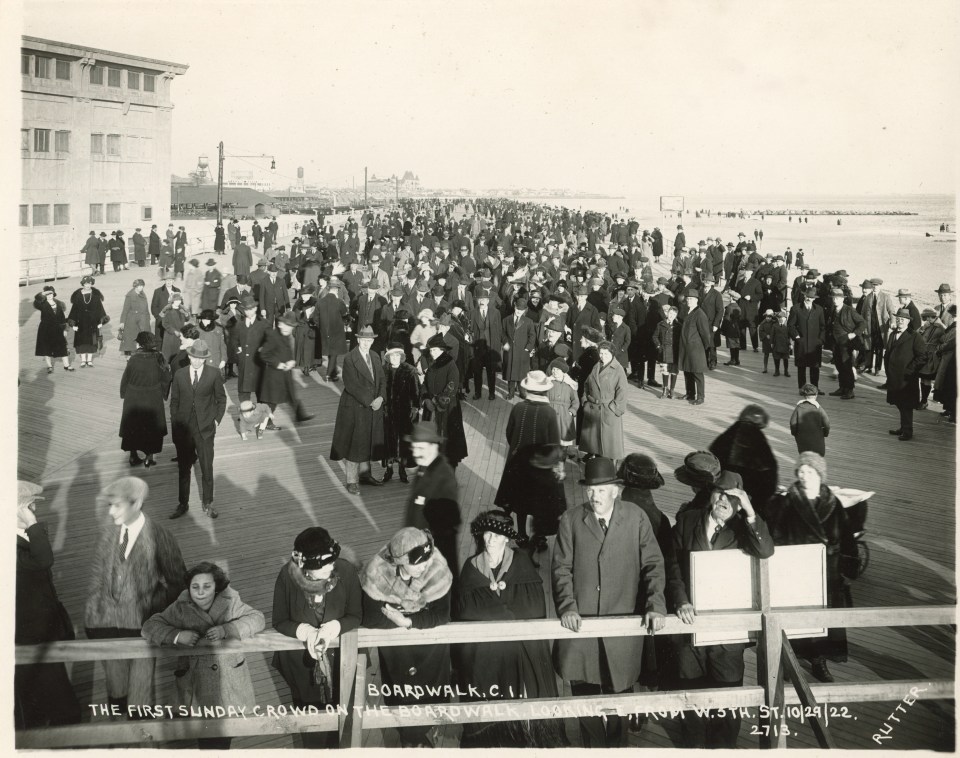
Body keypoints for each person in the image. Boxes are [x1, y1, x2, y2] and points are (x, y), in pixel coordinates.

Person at [552, 456, 667, 747]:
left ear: (616, 490)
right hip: (583, 625)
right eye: (590, 489)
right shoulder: (571, 520)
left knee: (619, 695)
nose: (595, 496)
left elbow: (653, 563)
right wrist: (567, 607)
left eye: (602, 490)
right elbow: (561, 569)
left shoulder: (636, 517)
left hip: (622, 624)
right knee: (585, 695)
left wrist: (655, 604)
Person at [672, 473, 775, 748]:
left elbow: (765, 550)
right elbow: (672, 566)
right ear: (710, 495)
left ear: (740, 502)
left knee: (727, 700)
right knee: (690, 698)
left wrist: (751, 512)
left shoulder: (744, 529)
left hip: (728, 636)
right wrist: (681, 600)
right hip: (689, 628)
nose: (723, 500)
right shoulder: (688, 521)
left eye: (731, 496)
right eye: (719, 493)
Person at [456, 511, 566, 748]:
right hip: (487, 655)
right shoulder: (471, 568)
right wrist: (500, 605)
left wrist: (495, 603)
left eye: (497, 535)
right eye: (487, 533)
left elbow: (534, 607)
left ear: (507, 538)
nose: (490, 540)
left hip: (520, 652)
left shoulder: (522, 566)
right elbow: (464, 613)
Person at [84, 477, 186, 716]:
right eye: (109, 505)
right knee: (116, 691)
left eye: (117, 505)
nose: (110, 512)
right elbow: (96, 580)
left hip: (142, 628)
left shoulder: (160, 537)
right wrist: (92, 616)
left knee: (140, 698)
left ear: (137, 503)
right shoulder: (107, 536)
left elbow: (177, 582)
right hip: (106, 628)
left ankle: (143, 744)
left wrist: (158, 614)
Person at [141, 562, 264, 750]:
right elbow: (150, 626)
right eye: (195, 587)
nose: (200, 592)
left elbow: (257, 618)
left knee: (224, 732)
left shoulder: (230, 602)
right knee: (204, 734)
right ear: (188, 588)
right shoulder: (181, 607)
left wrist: (227, 629)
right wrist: (176, 636)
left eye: (207, 586)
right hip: (196, 681)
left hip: (228, 681)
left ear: (217, 588)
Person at [766, 453, 859, 683]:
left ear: (820, 474)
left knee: (822, 621)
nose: (804, 475)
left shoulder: (832, 503)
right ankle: (790, 660)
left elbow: (847, 536)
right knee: (795, 619)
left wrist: (848, 568)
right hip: (797, 571)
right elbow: (776, 535)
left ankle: (819, 660)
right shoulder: (788, 501)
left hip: (827, 572)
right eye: (801, 471)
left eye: (809, 471)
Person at [360, 527, 453, 748]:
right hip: (397, 651)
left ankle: (423, 733)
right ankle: (411, 740)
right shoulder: (378, 573)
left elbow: (442, 615)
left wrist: (406, 621)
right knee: (401, 695)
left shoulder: (436, 569)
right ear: (400, 561)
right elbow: (371, 618)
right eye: (417, 563)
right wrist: (414, 615)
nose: (424, 566)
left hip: (430, 648)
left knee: (432, 692)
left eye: (426, 560)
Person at [271, 527, 361, 749]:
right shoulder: (287, 576)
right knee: (311, 728)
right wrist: (306, 631)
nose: (332, 566)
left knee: (343, 722)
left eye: (333, 561)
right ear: (306, 566)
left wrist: (335, 627)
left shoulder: (345, 571)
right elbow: (279, 620)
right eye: (325, 564)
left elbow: (357, 615)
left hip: (342, 662)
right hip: (302, 669)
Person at [16, 481, 82, 729]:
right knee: (61, 706)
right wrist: (32, 524)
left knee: (43, 695)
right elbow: (43, 560)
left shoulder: (21, 536)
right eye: (30, 506)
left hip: (40, 631)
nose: (34, 510)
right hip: (30, 637)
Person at [494, 370, 565, 558]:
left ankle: (521, 534)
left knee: (519, 500)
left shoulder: (518, 408)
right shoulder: (549, 412)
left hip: (518, 463)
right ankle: (539, 536)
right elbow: (554, 442)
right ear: (544, 391)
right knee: (540, 501)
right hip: (541, 466)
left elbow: (509, 434)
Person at [169, 340, 227, 519]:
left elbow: (221, 399)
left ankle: (208, 503)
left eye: (200, 359)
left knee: (206, 468)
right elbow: (174, 402)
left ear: (205, 359)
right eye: (193, 357)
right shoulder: (179, 375)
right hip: (184, 428)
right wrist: (176, 422)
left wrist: (216, 420)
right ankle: (182, 504)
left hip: (206, 428)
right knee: (184, 468)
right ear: (189, 356)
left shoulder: (214, 374)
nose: (196, 361)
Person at [330, 326, 386, 494]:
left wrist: (381, 398)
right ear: (358, 340)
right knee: (355, 443)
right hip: (355, 406)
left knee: (367, 440)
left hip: (373, 404)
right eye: (364, 340)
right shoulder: (349, 358)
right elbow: (351, 384)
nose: (367, 343)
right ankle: (351, 481)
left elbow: (382, 379)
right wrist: (371, 401)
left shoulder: (375, 356)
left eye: (370, 341)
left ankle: (365, 475)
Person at [405, 425, 462, 577]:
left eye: (421, 448)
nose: (416, 453)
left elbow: (446, 527)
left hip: (433, 559)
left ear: (434, 446)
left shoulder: (443, 477)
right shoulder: (425, 468)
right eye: (414, 448)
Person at [709, 404, 779, 508]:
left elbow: (713, 454)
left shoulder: (727, 434)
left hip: (720, 489)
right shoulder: (758, 439)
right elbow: (769, 471)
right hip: (747, 496)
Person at [120, 332, 172, 468]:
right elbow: (166, 377)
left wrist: (123, 393)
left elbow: (126, 377)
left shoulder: (133, 358)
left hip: (133, 397)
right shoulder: (159, 357)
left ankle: (133, 456)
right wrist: (164, 393)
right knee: (152, 427)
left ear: (141, 344)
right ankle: (149, 458)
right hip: (152, 397)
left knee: (133, 426)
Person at [421, 333, 468, 467]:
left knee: (448, 440)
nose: (432, 353)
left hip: (447, 408)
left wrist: (435, 402)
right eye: (430, 350)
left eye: (435, 350)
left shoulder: (450, 364)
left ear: (442, 350)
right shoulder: (432, 364)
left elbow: (451, 387)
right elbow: (425, 383)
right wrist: (426, 398)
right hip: (430, 408)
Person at [258, 312, 314, 423]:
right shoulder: (273, 336)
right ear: (280, 324)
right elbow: (263, 354)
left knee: (291, 394)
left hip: (285, 372)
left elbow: (287, 351)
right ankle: (266, 421)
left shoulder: (287, 335)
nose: (288, 329)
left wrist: (292, 361)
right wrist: (277, 363)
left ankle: (300, 415)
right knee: (272, 400)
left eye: (291, 327)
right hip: (274, 373)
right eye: (286, 325)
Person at [579, 340, 628, 463]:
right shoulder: (597, 365)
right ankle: (593, 455)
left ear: (612, 354)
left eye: (606, 354)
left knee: (607, 442)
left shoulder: (618, 369)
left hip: (608, 410)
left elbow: (622, 391)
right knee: (593, 438)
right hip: (593, 407)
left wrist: (615, 408)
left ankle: (607, 463)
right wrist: (585, 400)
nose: (603, 356)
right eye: (601, 353)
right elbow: (587, 384)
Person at [885, 308, 928, 441]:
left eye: (903, 319)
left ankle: (908, 431)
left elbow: (923, 356)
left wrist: (910, 370)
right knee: (899, 402)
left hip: (907, 378)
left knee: (906, 405)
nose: (900, 321)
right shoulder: (893, 334)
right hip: (894, 376)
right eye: (898, 319)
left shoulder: (915, 336)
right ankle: (903, 427)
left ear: (908, 321)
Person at [382, 342, 420, 483]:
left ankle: (402, 469)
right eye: (392, 355)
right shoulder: (383, 371)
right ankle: (389, 469)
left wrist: (415, 408)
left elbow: (416, 393)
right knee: (389, 441)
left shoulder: (410, 371)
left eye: (397, 355)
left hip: (404, 412)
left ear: (402, 356)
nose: (395, 358)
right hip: (388, 413)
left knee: (403, 442)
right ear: (388, 357)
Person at [788, 286, 827, 395]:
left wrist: (821, 340)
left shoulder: (819, 309)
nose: (809, 299)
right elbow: (790, 325)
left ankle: (815, 388)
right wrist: (797, 337)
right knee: (801, 367)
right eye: (807, 296)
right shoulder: (796, 308)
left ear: (814, 298)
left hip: (815, 344)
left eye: (811, 297)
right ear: (804, 296)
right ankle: (802, 388)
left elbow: (823, 327)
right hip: (802, 343)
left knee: (815, 367)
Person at [829, 287, 866, 400]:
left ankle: (850, 390)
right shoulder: (833, 309)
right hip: (836, 342)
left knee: (847, 366)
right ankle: (842, 388)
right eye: (833, 298)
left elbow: (862, 322)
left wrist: (853, 334)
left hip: (846, 343)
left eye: (837, 298)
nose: (835, 300)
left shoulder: (849, 310)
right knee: (839, 365)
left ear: (842, 299)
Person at [678, 288, 711, 404]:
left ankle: (700, 397)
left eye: (691, 299)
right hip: (686, 348)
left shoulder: (700, 314)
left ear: (697, 300)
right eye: (687, 299)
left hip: (696, 348)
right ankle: (690, 393)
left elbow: (706, 334)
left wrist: (705, 348)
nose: (689, 301)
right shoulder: (687, 311)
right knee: (687, 370)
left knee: (697, 373)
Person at [67, 275, 107, 368]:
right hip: (81, 322)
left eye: (89, 283)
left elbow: (100, 309)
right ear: (83, 284)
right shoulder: (78, 296)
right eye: (85, 283)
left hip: (93, 322)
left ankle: (89, 360)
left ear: (91, 284)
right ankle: (83, 360)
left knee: (91, 341)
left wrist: (101, 322)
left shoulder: (96, 296)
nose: (87, 285)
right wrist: (73, 325)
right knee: (82, 341)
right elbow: (74, 310)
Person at [469, 291, 503, 399]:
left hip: (491, 347)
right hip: (477, 349)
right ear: (477, 301)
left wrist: (498, 346)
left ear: (488, 301)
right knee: (477, 372)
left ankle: (491, 393)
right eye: (480, 299)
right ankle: (478, 393)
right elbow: (471, 329)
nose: (482, 301)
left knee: (491, 372)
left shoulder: (495, 312)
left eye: (484, 299)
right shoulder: (473, 313)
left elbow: (499, 330)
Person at [34, 286, 74, 373]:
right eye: (47, 294)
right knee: (47, 348)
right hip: (45, 329)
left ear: (53, 294)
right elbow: (36, 300)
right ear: (44, 295)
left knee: (62, 346)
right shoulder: (42, 304)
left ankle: (66, 365)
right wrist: (43, 294)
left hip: (58, 329)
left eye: (50, 293)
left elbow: (62, 319)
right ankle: (49, 366)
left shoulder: (59, 304)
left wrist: (65, 330)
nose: (49, 295)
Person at [317, 280, 350, 382]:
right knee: (334, 353)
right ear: (336, 290)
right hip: (337, 332)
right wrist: (346, 321)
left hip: (324, 332)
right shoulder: (339, 302)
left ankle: (333, 374)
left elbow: (314, 318)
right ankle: (328, 375)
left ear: (328, 290)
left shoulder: (320, 302)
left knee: (331, 353)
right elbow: (345, 315)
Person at [790, 383, 831, 456]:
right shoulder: (819, 409)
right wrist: (825, 433)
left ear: (804, 396)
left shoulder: (798, 408)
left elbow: (792, 423)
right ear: (816, 395)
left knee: (804, 458)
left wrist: (794, 433)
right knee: (818, 459)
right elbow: (827, 424)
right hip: (817, 441)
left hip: (802, 440)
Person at [118, 279, 152, 358]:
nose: (141, 288)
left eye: (142, 286)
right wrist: (122, 322)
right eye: (139, 286)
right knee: (131, 340)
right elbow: (125, 310)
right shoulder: (129, 296)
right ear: (135, 286)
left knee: (142, 339)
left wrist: (148, 318)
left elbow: (146, 308)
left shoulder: (143, 294)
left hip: (143, 320)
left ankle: (139, 356)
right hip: (132, 322)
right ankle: (129, 358)